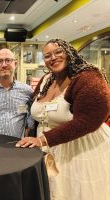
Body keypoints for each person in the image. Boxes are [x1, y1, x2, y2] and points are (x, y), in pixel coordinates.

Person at [16, 39, 110, 200]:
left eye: (58, 52)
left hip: (80, 150)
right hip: (49, 150)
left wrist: (44, 139)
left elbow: (88, 121)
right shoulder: (47, 79)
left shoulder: (88, 77)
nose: (53, 58)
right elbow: (37, 110)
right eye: (47, 56)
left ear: (69, 53)